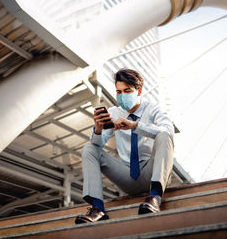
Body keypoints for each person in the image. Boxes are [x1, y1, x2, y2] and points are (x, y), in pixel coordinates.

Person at [75, 68, 174, 224]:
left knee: (164, 135)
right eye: (119, 92)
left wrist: (135, 125)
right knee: (89, 148)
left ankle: (154, 197)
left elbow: (168, 130)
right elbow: (96, 146)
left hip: (152, 172)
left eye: (127, 91)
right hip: (127, 176)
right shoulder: (113, 112)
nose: (122, 96)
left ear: (139, 90)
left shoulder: (153, 109)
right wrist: (99, 129)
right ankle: (97, 208)